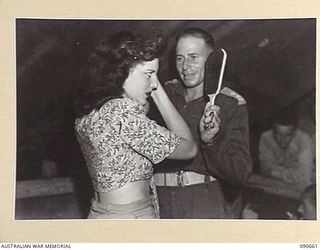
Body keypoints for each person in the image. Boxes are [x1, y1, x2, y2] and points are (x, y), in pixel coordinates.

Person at [73, 31, 198, 219]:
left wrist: (146, 82)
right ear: (122, 71)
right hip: (131, 216)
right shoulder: (122, 112)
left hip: (102, 213)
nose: (154, 83)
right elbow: (189, 148)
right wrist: (157, 93)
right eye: (148, 74)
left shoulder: (94, 109)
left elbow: (139, 113)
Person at [152, 27, 252, 219]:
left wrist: (210, 143)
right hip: (158, 199)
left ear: (212, 59)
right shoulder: (164, 94)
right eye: (180, 58)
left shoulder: (230, 103)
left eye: (193, 57)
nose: (185, 66)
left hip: (201, 200)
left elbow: (241, 173)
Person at [259, 108, 314, 188]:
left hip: (299, 187)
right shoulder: (266, 137)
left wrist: (274, 172)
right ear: (273, 130)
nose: (282, 139)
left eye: (287, 135)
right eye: (278, 134)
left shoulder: (304, 140)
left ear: (295, 132)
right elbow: (265, 169)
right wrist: (293, 173)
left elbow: (305, 178)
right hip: (275, 184)